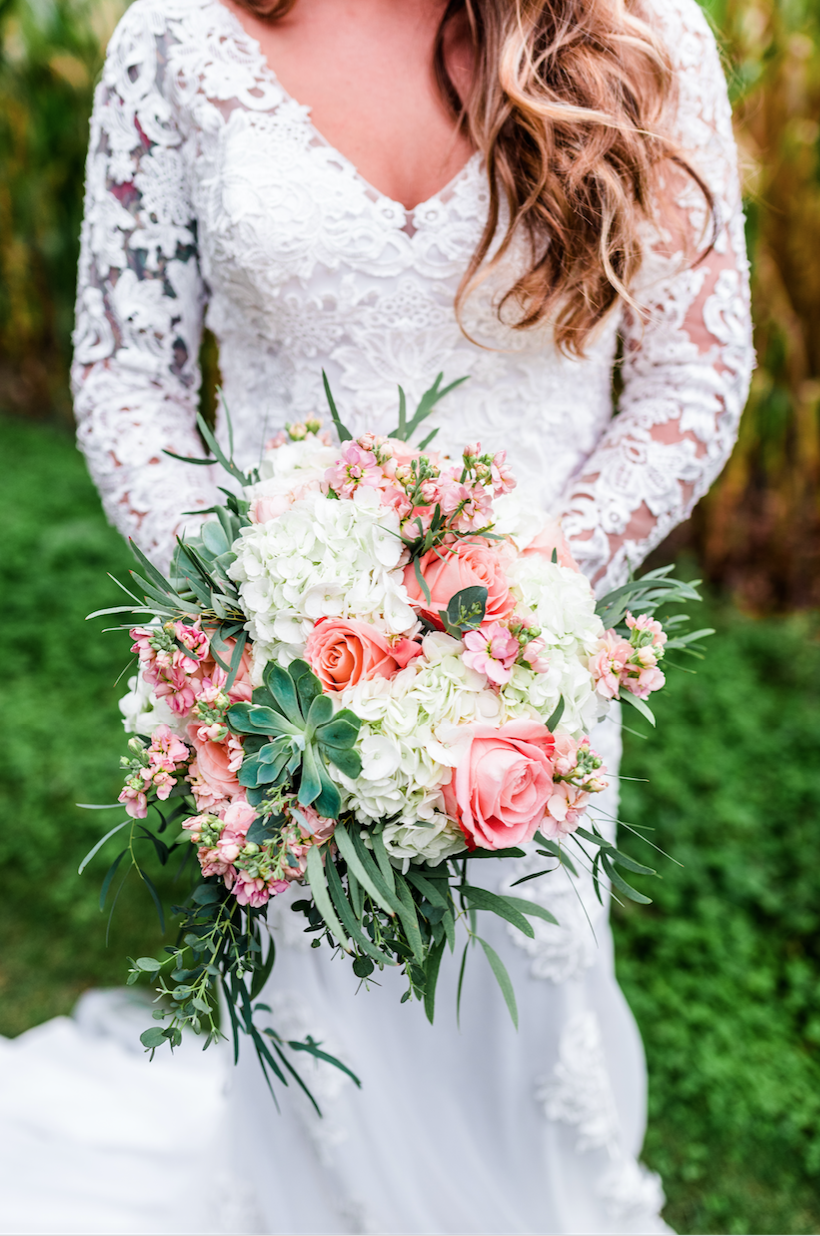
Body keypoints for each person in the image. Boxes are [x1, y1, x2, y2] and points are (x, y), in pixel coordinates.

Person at [67, 0, 753, 1231]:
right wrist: (251, 600)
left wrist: (535, 587)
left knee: (515, 1013)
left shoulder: (639, 27)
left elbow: (691, 373)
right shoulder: (178, 37)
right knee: (314, 1012)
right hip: (284, 696)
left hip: (523, 685)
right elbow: (129, 379)